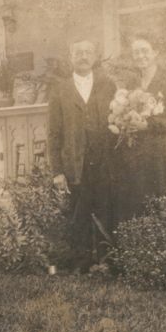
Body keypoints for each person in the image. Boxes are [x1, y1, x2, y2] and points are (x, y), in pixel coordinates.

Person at [48, 40, 116, 272]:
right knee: (79, 212)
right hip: (75, 162)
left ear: (95, 57)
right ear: (71, 58)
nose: (84, 56)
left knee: (106, 208)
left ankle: (107, 262)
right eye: (78, 53)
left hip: (105, 160)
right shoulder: (60, 89)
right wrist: (57, 171)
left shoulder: (108, 85)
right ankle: (81, 262)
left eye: (88, 52)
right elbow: (54, 133)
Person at [109, 34, 166, 225]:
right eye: (136, 52)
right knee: (136, 202)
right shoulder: (132, 82)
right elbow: (124, 108)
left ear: (155, 52)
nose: (140, 56)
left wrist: (148, 124)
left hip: (161, 151)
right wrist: (123, 120)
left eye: (145, 51)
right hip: (135, 150)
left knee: (160, 204)